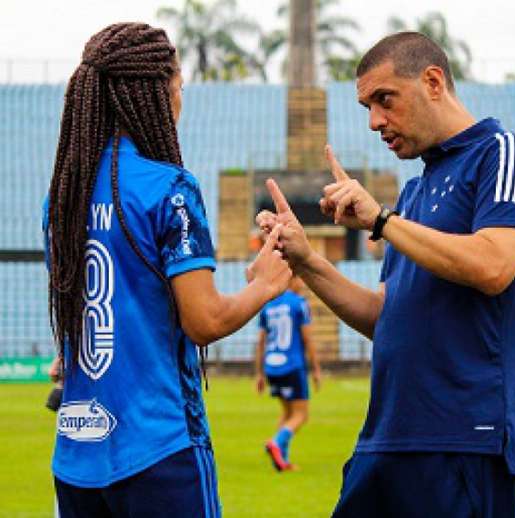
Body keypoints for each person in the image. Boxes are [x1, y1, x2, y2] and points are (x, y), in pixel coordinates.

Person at [259, 32, 515, 518]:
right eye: (367, 107)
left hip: (464, 441)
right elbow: (385, 315)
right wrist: (308, 261)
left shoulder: (507, 154)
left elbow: (493, 264)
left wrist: (382, 221)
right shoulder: (417, 192)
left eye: (385, 100)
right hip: (386, 438)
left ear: (433, 82)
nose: (375, 121)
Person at [44, 23, 291, 518]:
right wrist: (264, 286)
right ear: (155, 93)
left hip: (76, 456)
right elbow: (204, 321)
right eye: (179, 87)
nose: (181, 100)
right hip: (158, 449)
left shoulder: (62, 198)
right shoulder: (169, 187)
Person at [254, 275, 321, 471]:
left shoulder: (268, 305)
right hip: (292, 365)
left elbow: (260, 342)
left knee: (287, 413)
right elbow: (307, 339)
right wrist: (316, 369)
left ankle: (281, 460)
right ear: (292, 280)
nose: (303, 284)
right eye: (301, 279)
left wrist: (259, 373)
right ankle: (276, 443)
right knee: (301, 415)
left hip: (272, 365)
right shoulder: (299, 303)